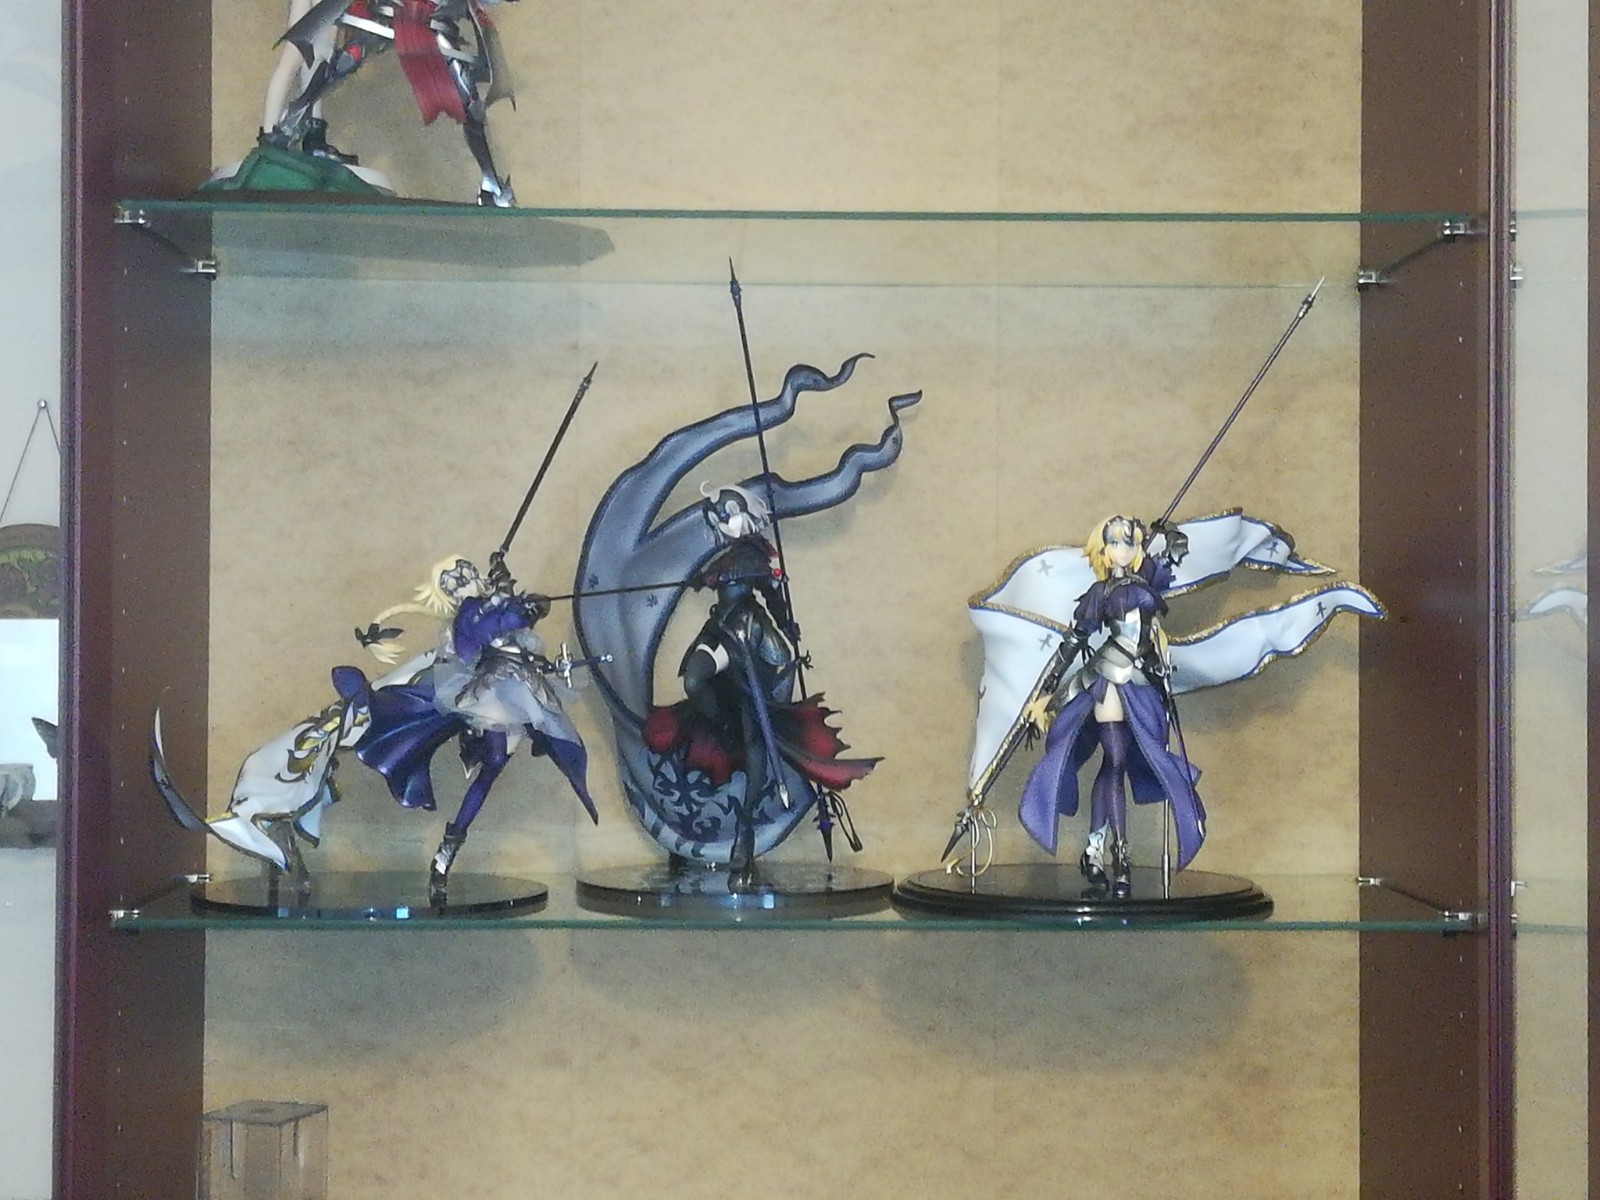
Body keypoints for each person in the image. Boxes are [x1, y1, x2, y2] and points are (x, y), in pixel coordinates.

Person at [642, 485, 875, 871]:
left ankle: (746, 824)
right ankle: (725, 724)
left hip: (752, 635)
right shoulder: (729, 556)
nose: (722, 522)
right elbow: (725, 572)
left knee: (757, 725)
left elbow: (765, 587)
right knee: (694, 681)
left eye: (727, 514)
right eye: (718, 517)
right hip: (721, 630)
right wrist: (703, 577)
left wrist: (784, 620)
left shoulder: (756, 554)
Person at [347, 555, 595, 893]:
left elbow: (517, 614)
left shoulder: (489, 602)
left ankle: (450, 844)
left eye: (465, 576)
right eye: (454, 584)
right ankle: (449, 845)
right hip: (494, 691)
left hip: (520, 686)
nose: (464, 584)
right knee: (495, 761)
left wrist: (513, 589)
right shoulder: (468, 614)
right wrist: (516, 608)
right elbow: (488, 629)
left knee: (502, 761)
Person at [1018, 515, 1204, 897]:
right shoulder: (1099, 593)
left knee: (1115, 764)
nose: (1124, 549)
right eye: (1116, 543)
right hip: (1111, 676)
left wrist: (1167, 530)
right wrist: (1047, 691)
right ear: (1103, 550)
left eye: (1130, 542)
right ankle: (1120, 855)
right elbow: (1074, 641)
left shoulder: (1147, 579)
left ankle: (1093, 850)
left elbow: (1177, 552)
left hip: (1143, 679)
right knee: (1116, 760)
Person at [262, 0, 518, 204]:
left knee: (470, 102)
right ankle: (286, 127)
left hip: (432, 22)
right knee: (343, 62)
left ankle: (491, 186)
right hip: (391, 13)